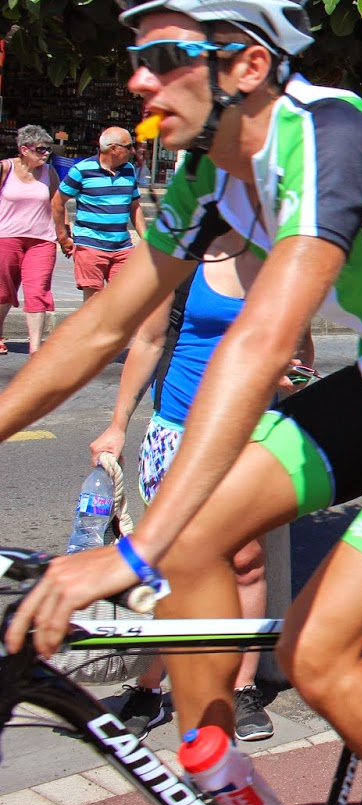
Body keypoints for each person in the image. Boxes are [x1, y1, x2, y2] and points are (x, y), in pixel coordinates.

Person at [1, 0, 362, 805]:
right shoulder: (207, 173)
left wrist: (129, 552)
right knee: (192, 541)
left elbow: (262, 343)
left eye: (165, 56)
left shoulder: (330, 137)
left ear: (249, 64)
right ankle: (222, 780)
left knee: (316, 652)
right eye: (135, 59)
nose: (140, 82)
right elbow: (103, 325)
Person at [93, 231, 314, 740]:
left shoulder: (289, 263)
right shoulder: (188, 255)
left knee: (245, 563)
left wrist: (292, 376)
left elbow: (303, 359)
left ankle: (241, 689)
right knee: (172, 563)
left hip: (250, 434)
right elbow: (147, 342)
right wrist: (117, 423)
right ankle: (150, 686)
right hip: (180, 432)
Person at [53, 125, 145, 303]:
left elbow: (135, 206)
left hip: (122, 246)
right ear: (113, 149)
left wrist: (146, 237)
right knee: (94, 301)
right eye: (128, 146)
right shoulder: (81, 170)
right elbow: (57, 202)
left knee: (123, 299)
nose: (132, 151)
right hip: (90, 244)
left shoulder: (129, 170)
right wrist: (63, 236)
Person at [0, 125, 62, 353]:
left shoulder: (50, 173)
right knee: (3, 291)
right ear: (24, 149)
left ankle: (35, 347)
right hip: (6, 237)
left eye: (48, 149)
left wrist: (63, 234)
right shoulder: (5, 168)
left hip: (42, 240)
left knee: (38, 291)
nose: (46, 154)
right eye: (41, 149)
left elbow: (57, 205)